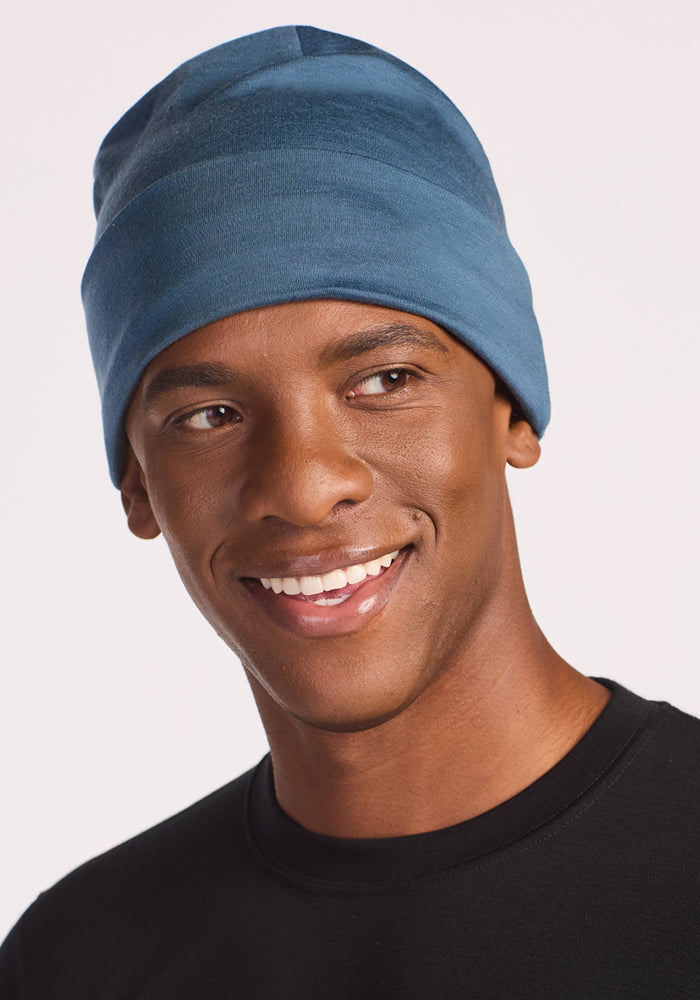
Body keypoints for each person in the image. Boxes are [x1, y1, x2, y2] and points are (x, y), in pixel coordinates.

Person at [1, 25, 698, 998]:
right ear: (136, 484)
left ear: (513, 408)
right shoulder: (79, 960)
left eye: (383, 378)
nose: (301, 484)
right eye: (209, 414)